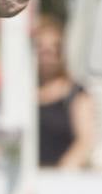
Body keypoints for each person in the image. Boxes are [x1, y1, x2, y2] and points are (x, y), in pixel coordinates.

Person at [36, 15, 95, 168]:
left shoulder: (76, 94)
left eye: (54, 49)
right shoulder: (20, 94)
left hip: (63, 180)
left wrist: (61, 173)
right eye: (41, 49)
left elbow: (85, 141)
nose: (47, 56)